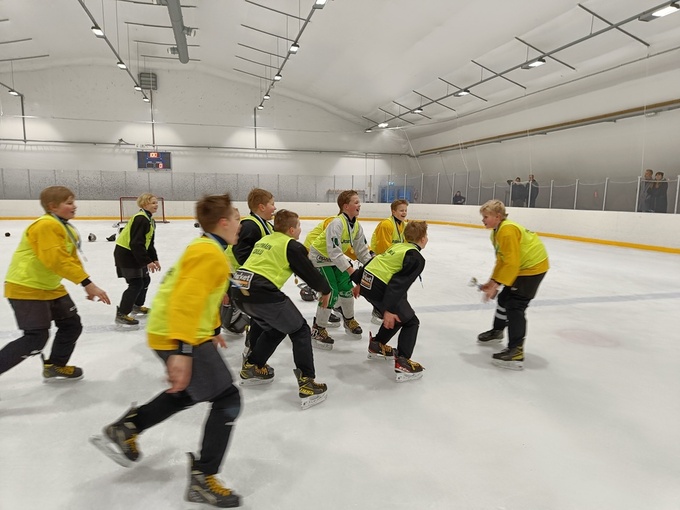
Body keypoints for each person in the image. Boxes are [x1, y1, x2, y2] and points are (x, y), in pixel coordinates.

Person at [91, 193, 243, 508]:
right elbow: (186, 301)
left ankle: (127, 428)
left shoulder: (208, 247)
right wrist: (183, 352)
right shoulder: (210, 253)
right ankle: (204, 478)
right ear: (223, 222)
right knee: (227, 399)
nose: (239, 225)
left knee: (191, 391)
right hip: (178, 333)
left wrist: (213, 330)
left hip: (175, 330)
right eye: (237, 219)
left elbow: (200, 297)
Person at [1, 186, 110, 381]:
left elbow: (71, 259)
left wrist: (86, 282)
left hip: (50, 287)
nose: (74, 206)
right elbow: (56, 260)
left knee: (71, 325)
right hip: (26, 287)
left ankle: (55, 366)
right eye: (69, 203)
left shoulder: (65, 227)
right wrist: (86, 283)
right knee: (36, 338)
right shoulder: (45, 225)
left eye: (73, 202)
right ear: (52, 207)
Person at [231, 209, 331, 409]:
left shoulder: (265, 240)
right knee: (300, 329)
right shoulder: (291, 245)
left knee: (276, 328)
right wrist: (325, 290)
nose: (300, 230)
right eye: (299, 226)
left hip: (238, 289)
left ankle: (253, 366)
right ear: (291, 229)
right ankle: (307, 383)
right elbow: (309, 272)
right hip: (261, 292)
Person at [352, 220, 428, 382]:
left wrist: (359, 281)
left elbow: (375, 261)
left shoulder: (398, 246)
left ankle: (377, 344)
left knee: (400, 316)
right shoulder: (415, 257)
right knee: (411, 321)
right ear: (422, 239)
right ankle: (403, 361)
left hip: (368, 281)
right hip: (380, 286)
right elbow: (399, 284)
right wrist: (390, 309)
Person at [477, 200, 549, 371]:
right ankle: (497, 331)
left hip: (532, 268)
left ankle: (516, 351)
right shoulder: (496, 232)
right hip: (522, 267)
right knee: (504, 299)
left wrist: (496, 284)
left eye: (486, 217)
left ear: (498, 216)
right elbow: (502, 260)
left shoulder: (507, 231)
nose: (483, 220)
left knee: (515, 305)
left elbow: (512, 263)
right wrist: (492, 282)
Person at [308, 190, 373, 348]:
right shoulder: (336, 223)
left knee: (347, 288)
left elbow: (362, 251)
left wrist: (373, 266)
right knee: (330, 292)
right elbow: (334, 252)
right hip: (320, 259)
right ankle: (318, 329)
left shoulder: (356, 225)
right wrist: (352, 272)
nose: (359, 205)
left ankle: (349, 320)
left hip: (334, 260)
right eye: (356, 202)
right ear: (345, 206)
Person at [224, 188, 276, 353]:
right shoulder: (250, 225)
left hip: (245, 274)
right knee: (257, 308)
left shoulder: (265, 225)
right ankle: (251, 347)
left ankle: (249, 340)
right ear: (262, 207)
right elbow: (240, 252)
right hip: (238, 273)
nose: (275, 207)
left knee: (256, 308)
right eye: (272, 204)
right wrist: (256, 274)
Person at [114, 193, 161, 328]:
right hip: (126, 254)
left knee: (145, 280)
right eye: (153, 203)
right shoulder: (141, 219)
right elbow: (135, 243)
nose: (156, 205)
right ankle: (122, 313)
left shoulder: (149, 220)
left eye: (156, 202)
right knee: (136, 283)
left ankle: (136, 305)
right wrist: (147, 261)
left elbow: (149, 243)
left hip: (135, 253)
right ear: (144, 204)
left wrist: (154, 259)